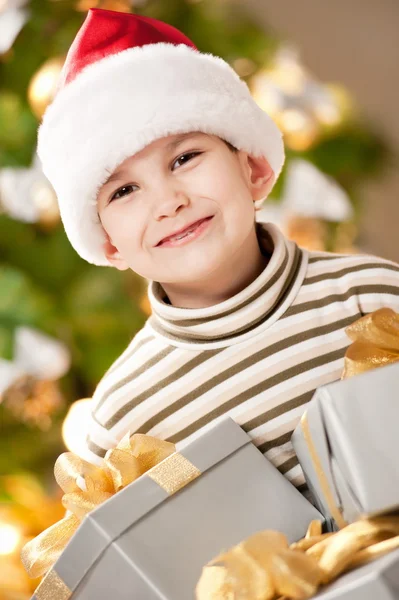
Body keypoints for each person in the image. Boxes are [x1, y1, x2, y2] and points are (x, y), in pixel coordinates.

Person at [37, 7, 399, 496]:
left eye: (185, 158)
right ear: (106, 241)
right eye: (123, 192)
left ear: (252, 167)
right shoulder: (124, 422)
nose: (169, 202)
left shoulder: (371, 296)